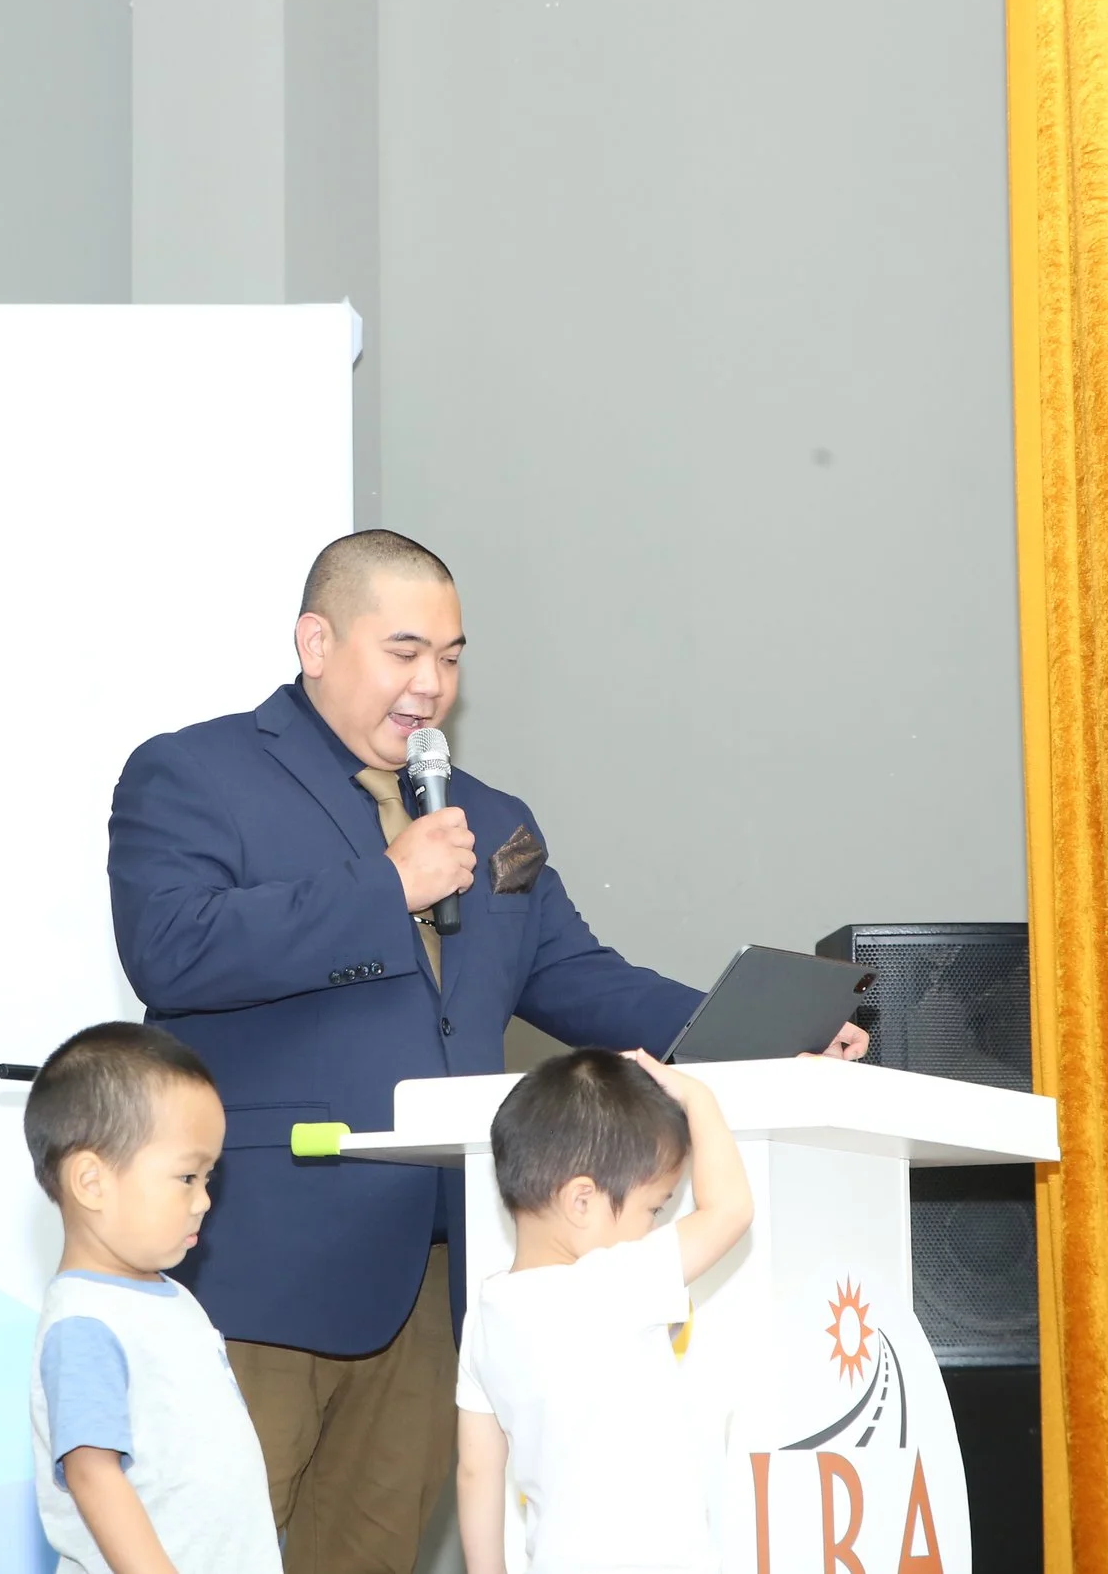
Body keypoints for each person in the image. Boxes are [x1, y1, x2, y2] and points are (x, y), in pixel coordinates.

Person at [107, 529, 868, 1572]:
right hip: (259, 1261)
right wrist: (388, 884)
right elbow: (170, 946)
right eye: (404, 650)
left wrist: (774, 1039)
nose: (431, 683)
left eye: (452, 656)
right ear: (316, 641)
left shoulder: (491, 818)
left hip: (441, 1271)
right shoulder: (195, 771)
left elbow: (585, 981)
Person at [454, 1049, 751, 1574]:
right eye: (653, 1208)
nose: (654, 1227)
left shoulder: (485, 1313)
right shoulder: (614, 1283)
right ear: (582, 1201)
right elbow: (729, 1210)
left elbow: (476, 1471)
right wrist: (698, 1097)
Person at [22, 1022, 279, 1574]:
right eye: (186, 1177)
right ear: (91, 1182)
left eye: (209, 1178)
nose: (204, 1200)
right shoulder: (86, 1321)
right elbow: (93, 1473)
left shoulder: (172, 1298)